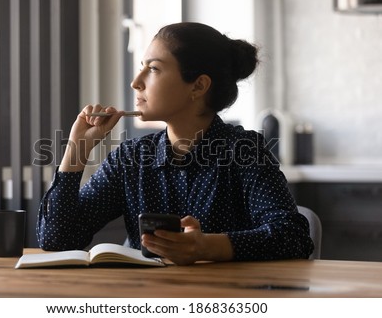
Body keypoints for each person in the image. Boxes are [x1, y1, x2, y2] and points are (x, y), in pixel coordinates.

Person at [36, 22, 314, 265]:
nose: (136, 82)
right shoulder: (132, 157)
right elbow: (56, 239)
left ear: (198, 86)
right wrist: (77, 150)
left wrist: (207, 246)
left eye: (153, 69)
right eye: (141, 68)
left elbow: (293, 237)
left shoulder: (244, 151)